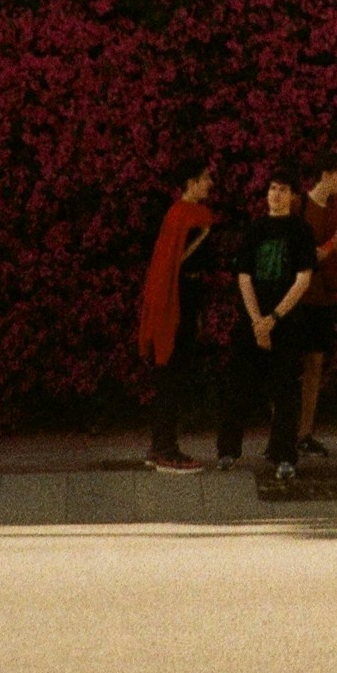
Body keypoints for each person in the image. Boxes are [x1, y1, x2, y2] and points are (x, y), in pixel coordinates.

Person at [216, 173, 318, 484]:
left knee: (286, 390)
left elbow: (303, 279)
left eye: (282, 189)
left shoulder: (301, 231)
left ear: (292, 195)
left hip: (286, 322)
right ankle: (228, 449)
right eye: (272, 188)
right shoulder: (255, 229)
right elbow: (244, 276)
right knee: (237, 386)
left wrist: (274, 318)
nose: (275, 194)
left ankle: (284, 455)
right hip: (252, 319)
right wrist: (256, 320)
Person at [136, 164, 217, 471]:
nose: (210, 183)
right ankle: (164, 448)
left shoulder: (186, 216)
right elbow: (174, 270)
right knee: (170, 379)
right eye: (205, 178)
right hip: (177, 305)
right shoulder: (185, 218)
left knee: (173, 379)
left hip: (184, 304)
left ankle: (163, 445)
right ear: (191, 181)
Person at [295, 162, 337, 455]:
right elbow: (305, 254)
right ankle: (287, 430)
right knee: (293, 365)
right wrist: (331, 247)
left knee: (315, 365)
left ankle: (305, 431)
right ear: (327, 175)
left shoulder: (335, 208)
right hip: (301, 297)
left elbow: (334, 250)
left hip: (325, 296)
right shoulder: (300, 206)